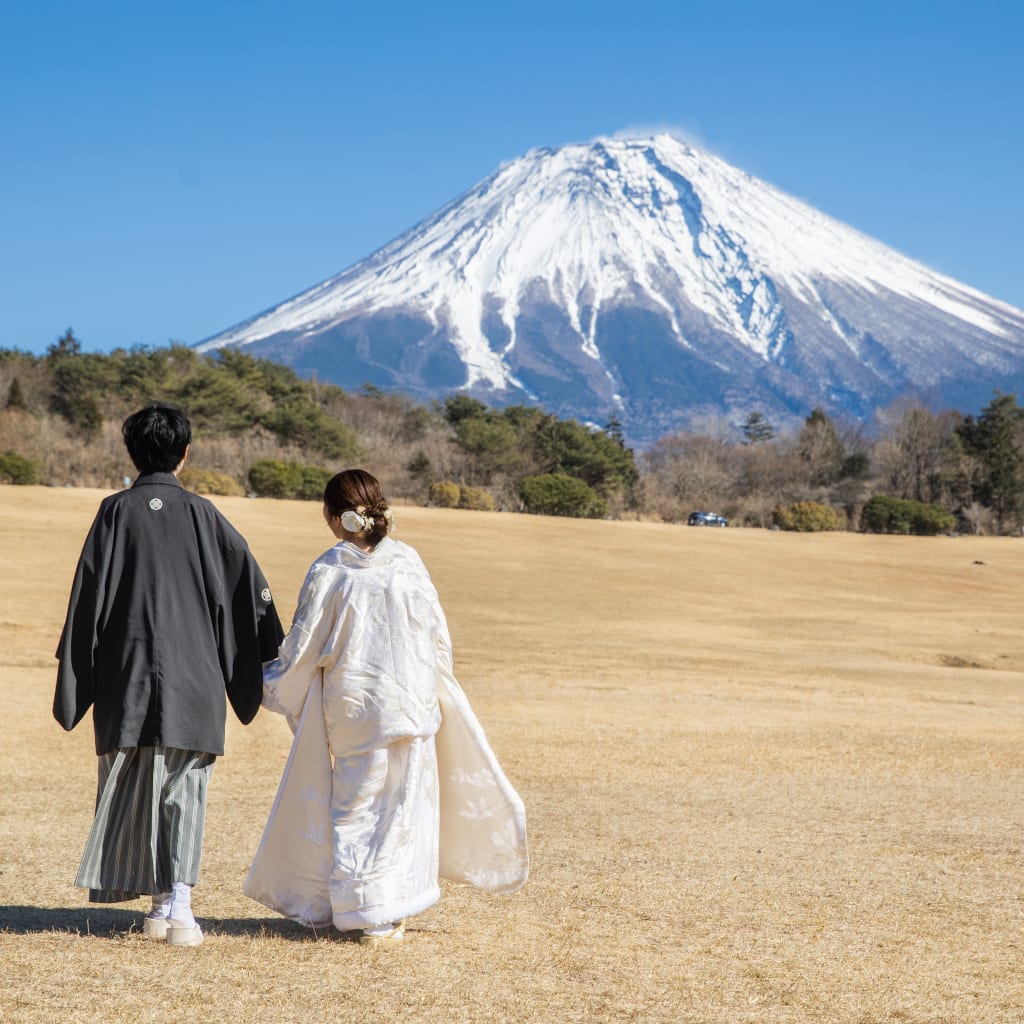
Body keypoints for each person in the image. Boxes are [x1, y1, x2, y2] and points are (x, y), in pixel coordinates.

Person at [246, 469, 527, 945]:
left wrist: (263, 680)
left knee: (356, 807)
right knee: (402, 810)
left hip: (357, 709)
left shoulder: (332, 569)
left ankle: (366, 911)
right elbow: (438, 639)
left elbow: (303, 650)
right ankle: (388, 904)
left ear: (335, 517)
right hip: (413, 704)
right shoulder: (409, 563)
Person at [54, 403, 284, 947]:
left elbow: (88, 600)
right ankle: (176, 904)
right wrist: (269, 659)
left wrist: (77, 678)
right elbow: (249, 597)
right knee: (185, 788)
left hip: (125, 674)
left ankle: (161, 904)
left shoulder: (114, 511)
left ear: (131, 452)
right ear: (185, 454)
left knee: (134, 783)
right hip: (195, 678)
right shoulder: (206, 516)